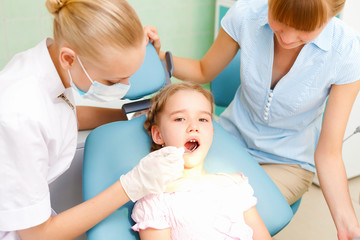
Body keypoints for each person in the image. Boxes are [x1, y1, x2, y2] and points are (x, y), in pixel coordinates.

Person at [148, 0, 360, 239]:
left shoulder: (346, 52)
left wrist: (348, 225)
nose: (288, 38)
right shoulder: (247, 15)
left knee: (226, 218)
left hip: (286, 163)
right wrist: (156, 55)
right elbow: (202, 70)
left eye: (304, 28)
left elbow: (328, 154)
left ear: (333, 14)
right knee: (180, 208)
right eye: (280, 22)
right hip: (228, 142)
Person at [0, 0, 184, 239]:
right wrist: (130, 186)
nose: (124, 87)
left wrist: (129, 115)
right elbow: (38, 235)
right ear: (69, 59)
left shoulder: (49, 64)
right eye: (112, 81)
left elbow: (62, 115)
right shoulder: (20, 114)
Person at [131, 82, 272, 240]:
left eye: (203, 119)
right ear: (158, 135)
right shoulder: (155, 201)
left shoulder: (234, 185)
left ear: (212, 131)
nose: (193, 126)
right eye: (179, 119)